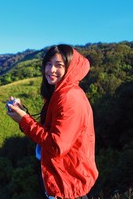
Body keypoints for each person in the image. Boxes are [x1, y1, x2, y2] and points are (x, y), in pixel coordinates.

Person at [7, 44, 98, 199]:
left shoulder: (69, 98)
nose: (51, 70)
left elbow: (57, 145)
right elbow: (53, 131)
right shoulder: (62, 92)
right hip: (62, 177)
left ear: (70, 68)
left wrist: (24, 120)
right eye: (48, 64)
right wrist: (23, 113)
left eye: (58, 65)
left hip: (67, 183)